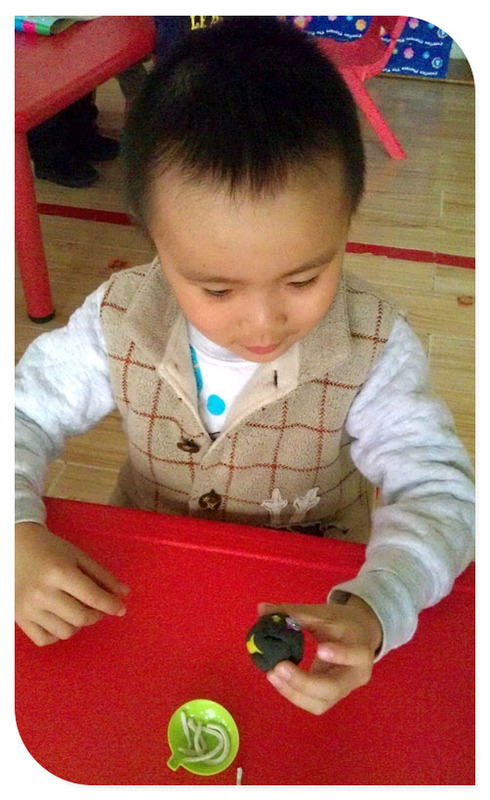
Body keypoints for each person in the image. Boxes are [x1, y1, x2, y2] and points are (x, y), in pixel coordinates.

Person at [15, 17, 474, 716]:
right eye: (217, 289)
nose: (263, 324)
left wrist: (379, 605)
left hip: (316, 603)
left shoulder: (374, 348)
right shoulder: (119, 318)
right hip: (149, 583)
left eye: (303, 278)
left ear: (347, 221)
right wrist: (15, 534)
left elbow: (439, 493)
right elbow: (21, 413)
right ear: (154, 241)